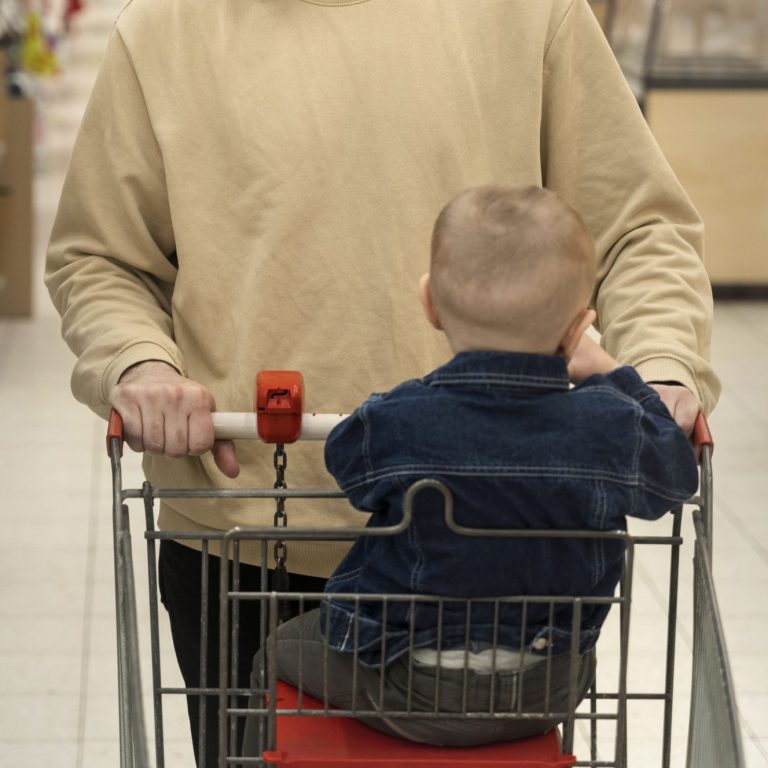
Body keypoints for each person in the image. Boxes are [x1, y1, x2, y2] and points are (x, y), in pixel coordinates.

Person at [44, 0, 719, 763]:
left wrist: (663, 365)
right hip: (244, 543)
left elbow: (640, 226)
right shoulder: (165, 28)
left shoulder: (531, 13)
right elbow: (100, 257)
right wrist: (138, 360)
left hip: (499, 556)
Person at [242, 184, 700, 750]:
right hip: (546, 687)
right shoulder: (609, 425)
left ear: (429, 303)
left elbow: (349, 469)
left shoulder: (400, 418)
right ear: (578, 327)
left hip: (406, 682)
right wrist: (610, 372)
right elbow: (674, 479)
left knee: (276, 649)